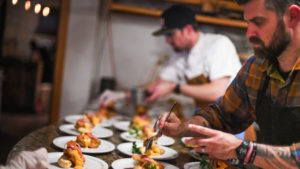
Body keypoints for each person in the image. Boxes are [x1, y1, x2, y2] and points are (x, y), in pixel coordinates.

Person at [155, 0, 300, 168]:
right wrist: (182, 128)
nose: (249, 33)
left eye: (259, 22)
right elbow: (222, 115)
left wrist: (241, 149)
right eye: (248, 23)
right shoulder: (257, 67)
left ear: (293, 17)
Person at [99, 5, 241, 109]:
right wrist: (122, 95)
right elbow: (158, 85)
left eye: (170, 34)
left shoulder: (218, 44)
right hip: (206, 117)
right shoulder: (180, 55)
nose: (167, 40)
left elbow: (218, 92)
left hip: (232, 123)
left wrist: (175, 87)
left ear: (188, 30)